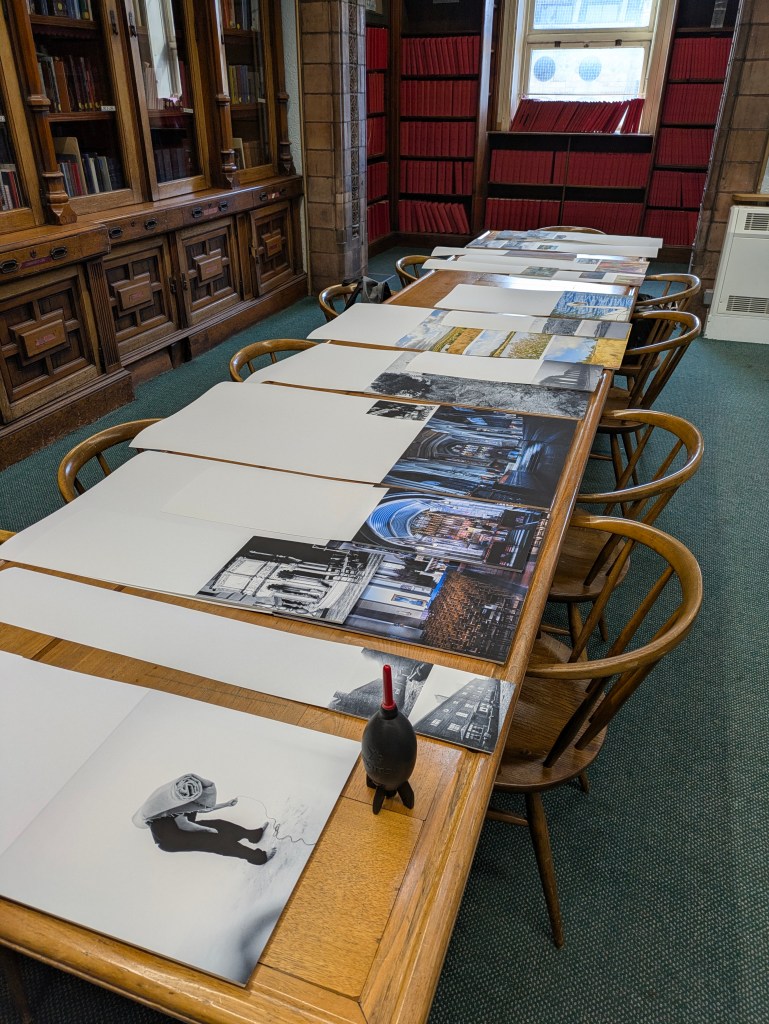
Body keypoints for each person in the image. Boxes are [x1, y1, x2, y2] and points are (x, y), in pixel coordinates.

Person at [132, 774, 276, 865]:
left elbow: (201, 809)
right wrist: (208, 830)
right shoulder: (167, 810)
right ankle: (258, 858)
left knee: (219, 824)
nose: (190, 794)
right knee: (217, 841)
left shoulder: (184, 804)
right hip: (172, 839)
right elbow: (184, 825)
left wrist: (226, 804)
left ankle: (253, 835)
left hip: (181, 828)